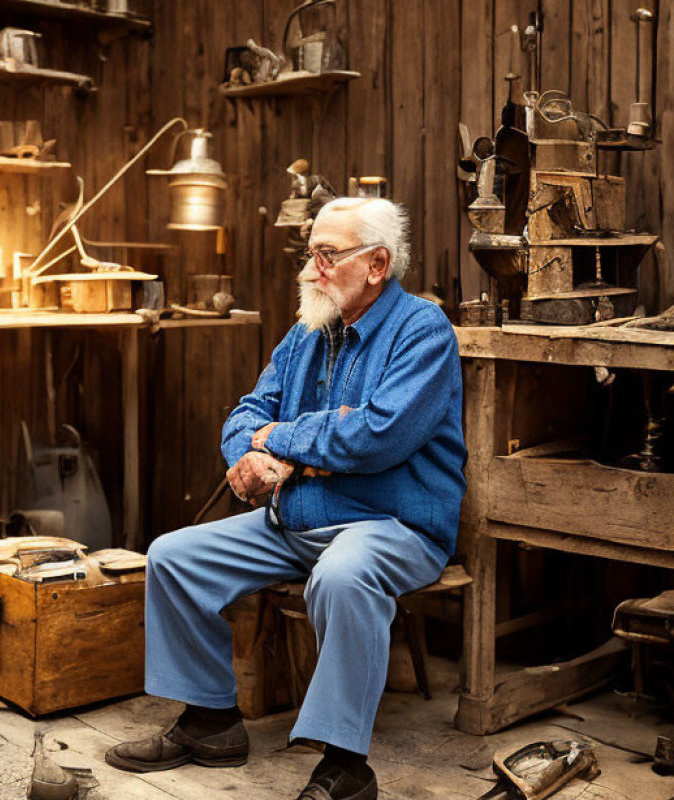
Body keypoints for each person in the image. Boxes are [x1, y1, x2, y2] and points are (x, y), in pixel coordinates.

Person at [105, 197, 467, 800]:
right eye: (311, 253)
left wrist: (282, 440)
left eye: (327, 255)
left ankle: (345, 764)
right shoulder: (308, 329)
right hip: (297, 518)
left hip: (392, 524)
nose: (310, 269)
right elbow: (249, 413)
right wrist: (247, 455)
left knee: (344, 577)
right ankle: (212, 721)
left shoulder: (422, 330)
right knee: (173, 556)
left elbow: (378, 435)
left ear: (377, 264)